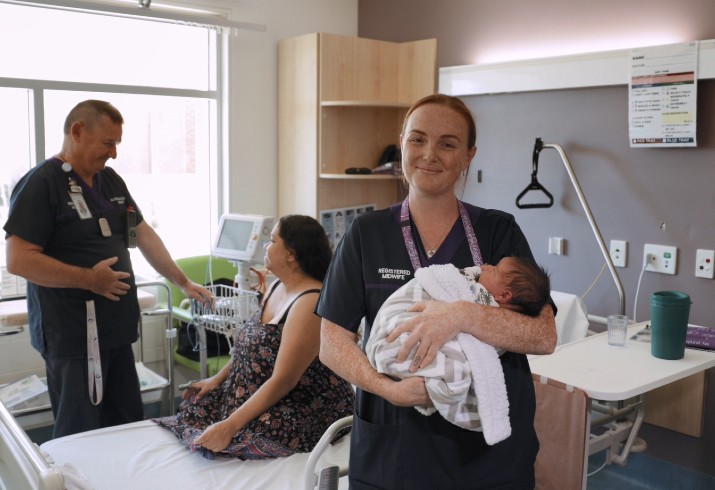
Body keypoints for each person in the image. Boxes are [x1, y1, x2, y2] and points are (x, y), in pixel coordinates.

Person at [316, 94, 557, 489]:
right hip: (395, 449)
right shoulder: (366, 234)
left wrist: (463, 315)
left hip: (488, 455)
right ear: (403, 144)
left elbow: (543, 335)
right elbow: (332, 343)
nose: (430, 154)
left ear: (468, 156)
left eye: (448, 144)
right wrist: (387, 389)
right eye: (418, 140)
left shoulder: (499, 231)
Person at [3, 99, 213, 438]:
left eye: (117, 143)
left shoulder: (110, 181)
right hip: (73, 333)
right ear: (77, 131)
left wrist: (182, 281)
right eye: (108, 143)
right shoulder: (41, 184)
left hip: (114, 329)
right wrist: (89, 280)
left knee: (125, 421)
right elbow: (19, 259)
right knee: (80, 430)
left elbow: (143, 234)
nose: (113, 153)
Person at [154, 215, 355, 459]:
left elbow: (284, 381)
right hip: (255, 390)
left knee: (255, 431)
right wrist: (215, 380)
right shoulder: (276, 287)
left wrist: (230, 425)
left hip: (300, 402)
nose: (265, 248)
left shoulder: (309, 302)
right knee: (198, 406)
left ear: (291, 254)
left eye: (271, 241)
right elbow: (249, 346)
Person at [365, 257, 551, 442]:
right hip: (401, 434)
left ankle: (429, 374)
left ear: (504, 296)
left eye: (493, 270)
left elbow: (545, 338)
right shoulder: (471, 283)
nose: (485, 266)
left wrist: (462, 315)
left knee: (455, 372)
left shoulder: (483, 296)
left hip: (475, 451)